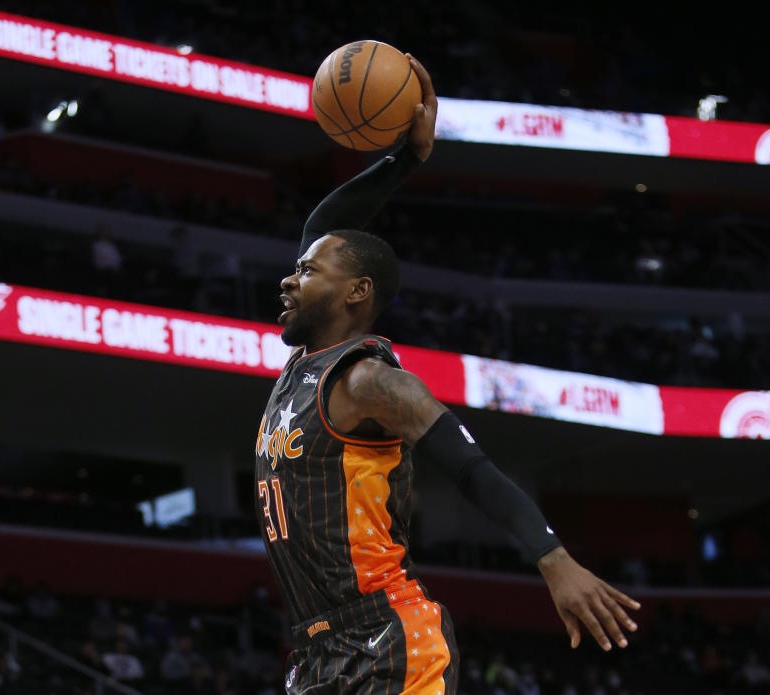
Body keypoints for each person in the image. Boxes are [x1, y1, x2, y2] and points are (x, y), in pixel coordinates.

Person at [253, 55, 640, 695]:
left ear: (357, 293)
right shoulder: (304, 363)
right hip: (317, 651)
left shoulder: (370, 382)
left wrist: (555, 561)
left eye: (308, 272)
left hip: (389, 642)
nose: (289, 277)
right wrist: (406, 159)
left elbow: (472, 469)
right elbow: (320, 227)